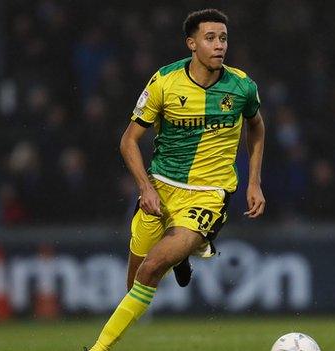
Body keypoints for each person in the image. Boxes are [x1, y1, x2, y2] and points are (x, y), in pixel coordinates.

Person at [87, 8, 266, 351]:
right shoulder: (165, 82)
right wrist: (145, 188)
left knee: (153, 267)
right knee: (135, 283)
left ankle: (97, 349)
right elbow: (128, 141)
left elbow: (256, 126)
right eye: (210, 38)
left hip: (207, 195)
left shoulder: (242, 86)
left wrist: (254, 182)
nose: (219, 46)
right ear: (192, 43)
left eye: (223, 38)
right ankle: (182, 255)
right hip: (161, 190)